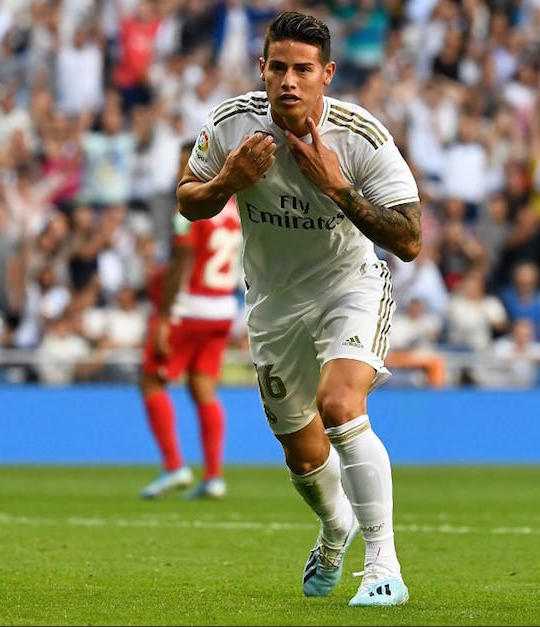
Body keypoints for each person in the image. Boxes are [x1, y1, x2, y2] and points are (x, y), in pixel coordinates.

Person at [176, 12, 421, 607]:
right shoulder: (232, 125)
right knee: (302, 451)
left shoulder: (360, 136)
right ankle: (335, 529)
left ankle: (383, 566)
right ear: (262, 68)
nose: (289, 81)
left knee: (340, 406)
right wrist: (227, 180)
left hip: (349, 287)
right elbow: (188, 199)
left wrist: (339, 189)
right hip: (274, 305)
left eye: (303, 70)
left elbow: (410, 239)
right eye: (279, 68)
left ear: (326, 74)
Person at [139, 142, 243, 500]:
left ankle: (174, 466)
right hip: (223, 309)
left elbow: (181, 261)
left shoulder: (190, 207)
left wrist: (164, 317)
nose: (180, 171)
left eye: (186, 162)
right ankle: (213, 476)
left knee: (151, 380)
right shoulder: (233, 209)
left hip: (190, 308)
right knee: (203, 388)